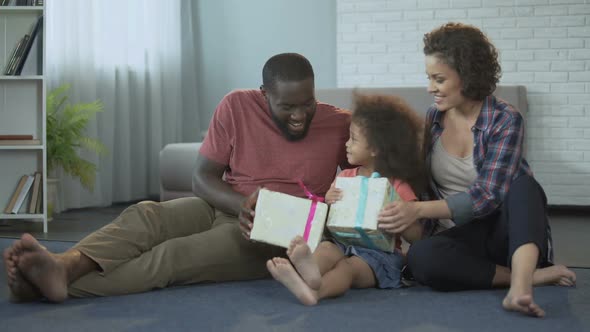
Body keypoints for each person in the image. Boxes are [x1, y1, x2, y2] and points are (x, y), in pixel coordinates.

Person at [3, 53, 352, 303]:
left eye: (307, 103)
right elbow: (202, 178)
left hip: (276, 237)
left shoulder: (339, 124)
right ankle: (64, 266)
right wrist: (242, 204)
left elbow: (370, 171)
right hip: (225, 205)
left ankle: (41, 286)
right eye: (287, 106)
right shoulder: (236, 105)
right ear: (264, 94)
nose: (299, 115)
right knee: (146, 215)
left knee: (172, 256)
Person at [376, 23, 577, 318]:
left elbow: (486, 197)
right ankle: (531, 277)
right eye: (429, 78)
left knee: (524, 187)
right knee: (420, 258)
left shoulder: (505, 119)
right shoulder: (434, 117)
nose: (430, 88)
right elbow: (415, 180)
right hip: (459, 241)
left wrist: (418, 211)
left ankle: (520, 287)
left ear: (467, 76)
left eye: (439, 79)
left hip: (503, 235)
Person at [267, 94, 425, 306]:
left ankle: (316, 292)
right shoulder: (345, 178)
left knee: (348, 268)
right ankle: (310, 273)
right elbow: (334, 224)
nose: (347, 145)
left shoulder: (396, 186)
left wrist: (399, 213)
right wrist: (329, 201)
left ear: (376, 148)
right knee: (326, 249)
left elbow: (416, 236)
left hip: (379, 256)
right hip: (342, 243)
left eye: (354, 139)